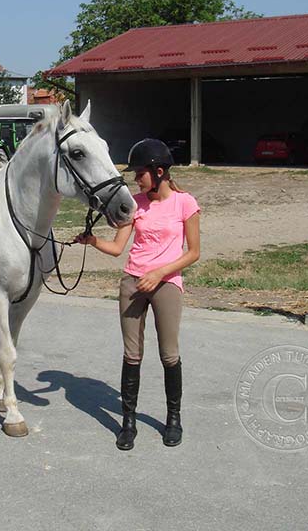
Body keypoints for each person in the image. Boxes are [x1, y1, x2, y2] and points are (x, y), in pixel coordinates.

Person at [76, 138, 200, 450]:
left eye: (140, 173)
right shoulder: (135, 203)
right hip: (133, 283)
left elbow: (194, 252)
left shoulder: (185, 203)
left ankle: (173, 419)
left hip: (166, 283)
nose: (136, 178)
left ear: (159, 171)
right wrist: (92, 242)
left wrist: (160, 273)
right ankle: (128, 423)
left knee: (169, 354)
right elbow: (119, 248)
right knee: (132, 354)